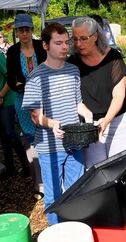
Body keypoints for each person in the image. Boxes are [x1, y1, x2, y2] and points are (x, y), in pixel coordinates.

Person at [22, 23, 93, 225]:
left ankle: (74, 228)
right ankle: (56, 231)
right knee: (53, 196)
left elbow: (77, 103)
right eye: (58, 43)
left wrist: (87, 115)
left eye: (66, 42)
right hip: (49, 147)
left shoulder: (73, 71)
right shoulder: (36, 77)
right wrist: (52, 123)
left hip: (75, 142)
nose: (65, 47)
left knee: (76, 190)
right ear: (45, 45)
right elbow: (36, 117)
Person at [68, 16, 126, 169]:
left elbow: (118, 96)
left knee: (118, 168)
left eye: (83, 38)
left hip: (118, 120)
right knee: (95, 169)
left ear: (96, 36)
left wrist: (106, 120)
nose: (78, 44)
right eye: (75, 39)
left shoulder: (113, 58)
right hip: (91, 125)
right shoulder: (72, 63)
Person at [6, 13, 46, 198]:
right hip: (22, 101)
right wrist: (24, 86)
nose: (24, 33)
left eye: (27, 29)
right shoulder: (13, 51)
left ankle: (51, 177)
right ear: (17, 32)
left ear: (32, 30)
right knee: (31, 140)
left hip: (45, 99)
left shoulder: (41, 46)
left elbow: (49, 69)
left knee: (47, 136)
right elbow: (12, 80)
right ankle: (38, 183)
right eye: (20, 30)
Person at [0, 51, 29, 177]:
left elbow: (10, 78)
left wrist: (1, 95)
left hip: (6, 100)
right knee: (3, 136)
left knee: (9, 133)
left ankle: (26, 164)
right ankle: (10, 168)